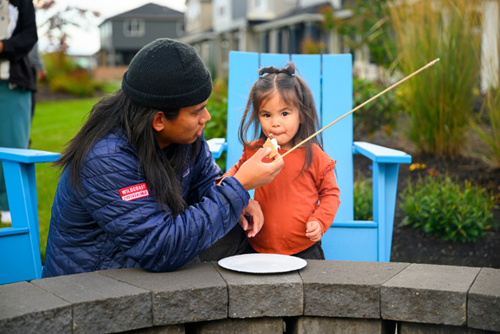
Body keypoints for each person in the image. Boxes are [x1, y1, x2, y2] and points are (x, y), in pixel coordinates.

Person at [41, 38, 284, 278]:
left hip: (140, 274)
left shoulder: (185, 139)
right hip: (92, 289)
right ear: (158, 120)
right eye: (197, 111)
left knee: (246, 234)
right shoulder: (105, 160)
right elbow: (159, 248)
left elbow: (205, 183)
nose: (207, 117)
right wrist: (239, 187)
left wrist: (237, 200)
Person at [221, 63, 341, 260]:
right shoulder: (257, 152)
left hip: (305, 250)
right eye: (266, 115)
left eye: (284, 113)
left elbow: (331, 194)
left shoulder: (315, 156)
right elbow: (231, 177)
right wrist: (242, 198)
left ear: (301, 115)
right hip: (257, 246)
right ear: (258, 116)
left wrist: (320, 221)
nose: (275, 122)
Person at [0, 0, 38, 224]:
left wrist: (3, 47)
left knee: (13, 146)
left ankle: (9, 205)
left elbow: (29, 35)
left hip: (13, 84)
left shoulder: (21, 1)